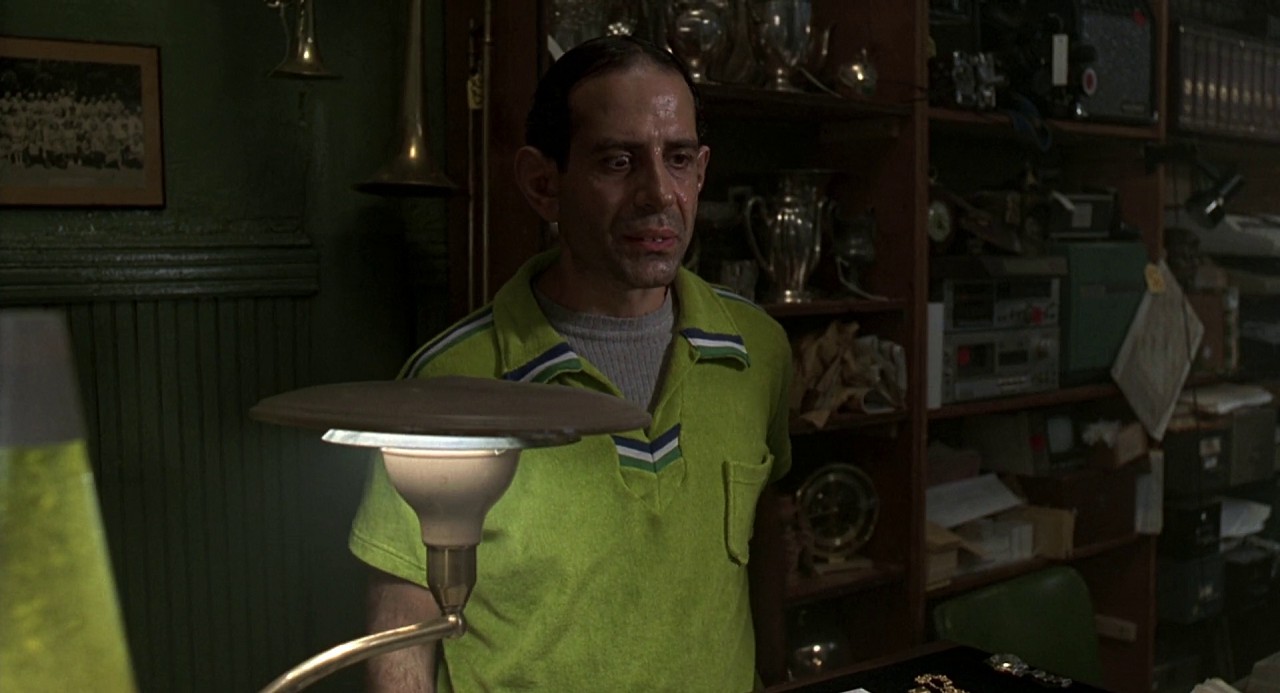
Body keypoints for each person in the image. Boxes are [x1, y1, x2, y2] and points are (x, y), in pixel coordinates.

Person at [348, 34, 792, 692]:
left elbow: (764, 538)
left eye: (677, 160)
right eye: (618, 161)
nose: (658, 193)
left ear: (701, 173)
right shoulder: (451, 379)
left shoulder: (757, 351)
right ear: (542, 184)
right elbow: (403, 606)